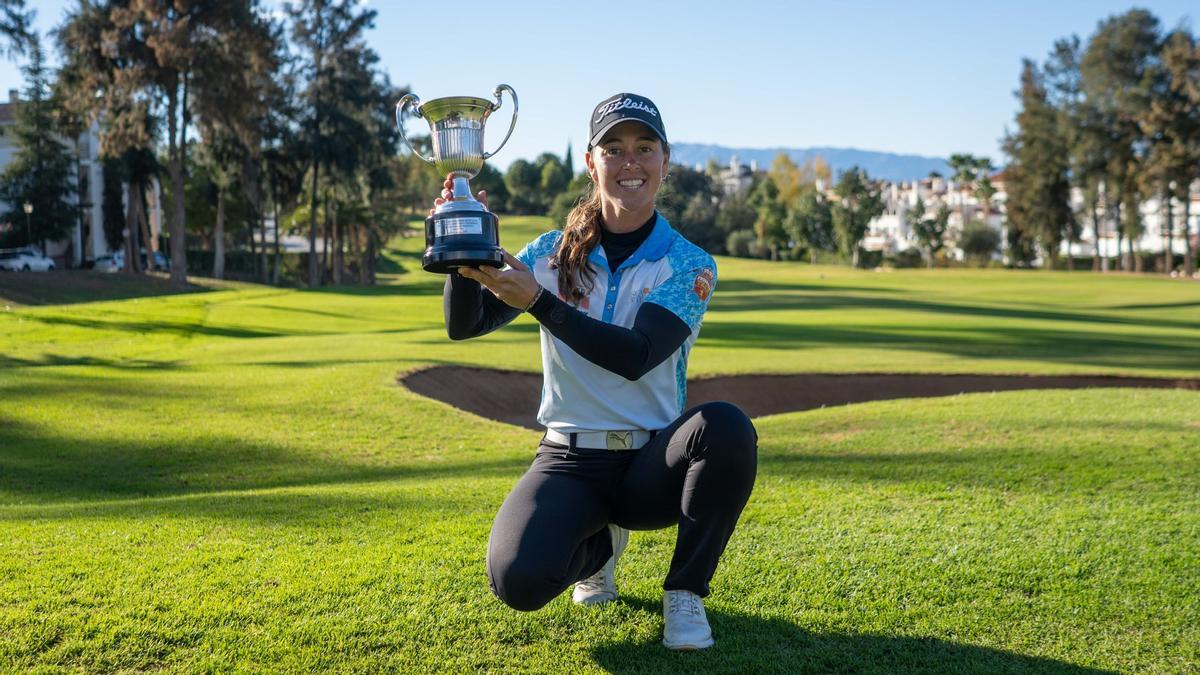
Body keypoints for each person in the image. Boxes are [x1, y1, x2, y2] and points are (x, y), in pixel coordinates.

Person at [438, 92, 758, 651]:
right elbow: (467, 326)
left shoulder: (688, 263)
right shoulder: (550, 252)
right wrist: (465, 247)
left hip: (649, 464)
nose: (629, 161)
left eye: (644, 148)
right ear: (592, 162)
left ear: (665, 161)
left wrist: (541, 302)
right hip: (568, 458)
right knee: (516, 579)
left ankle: (684, 593)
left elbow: (636, 356)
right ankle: (599, 548)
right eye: (613, 148)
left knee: (727, 427)